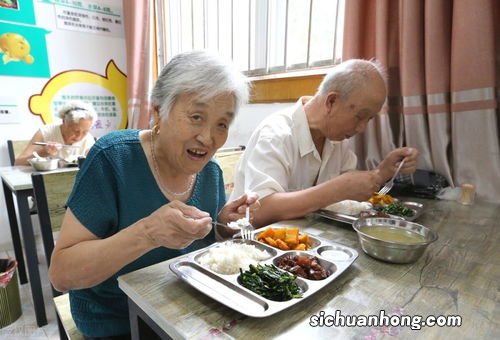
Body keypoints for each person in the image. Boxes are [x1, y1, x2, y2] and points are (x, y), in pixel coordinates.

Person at [48, 50, 257, 339]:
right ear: (158, 111)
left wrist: (223, 225)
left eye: (222, 124)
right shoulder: (112, 159)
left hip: (187, 312)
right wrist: (148, 233)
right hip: (118, 321)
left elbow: (205, 247)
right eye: (196, 116)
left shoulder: (211, 173)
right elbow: (61, 274)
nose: (209, 138)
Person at [230, 59, 419, 228]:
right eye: (360, 116)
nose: (361, 128)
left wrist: (383, 172)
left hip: (308, 240)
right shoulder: (275, 135)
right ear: (331, 101)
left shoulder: (336, 139)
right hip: (254, 246)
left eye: (369, 119)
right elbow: (259, 211)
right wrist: (336, 190)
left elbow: (351, 190)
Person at [15, 100, 97, 165]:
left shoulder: (88, 139)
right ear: (64, 122)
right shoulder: (46, 132)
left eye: (85, 132)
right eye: (76, 131)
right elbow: (18, 162)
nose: (79, 137)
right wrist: (43, 152)